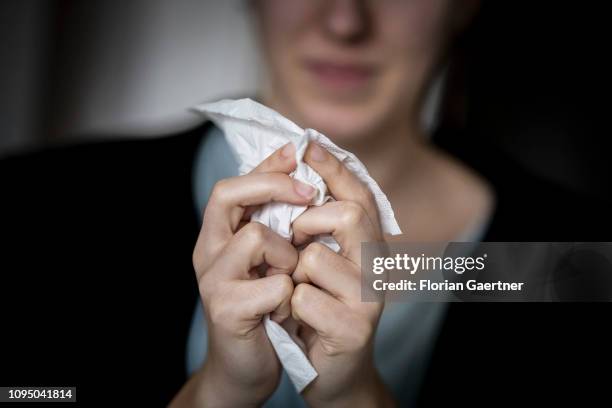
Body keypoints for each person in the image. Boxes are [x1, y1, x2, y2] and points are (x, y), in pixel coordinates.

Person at [1, 1, 610, 406]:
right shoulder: (42, 208)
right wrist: (215, 395)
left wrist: (356, 398)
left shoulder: (562, 260)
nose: (345, 20)